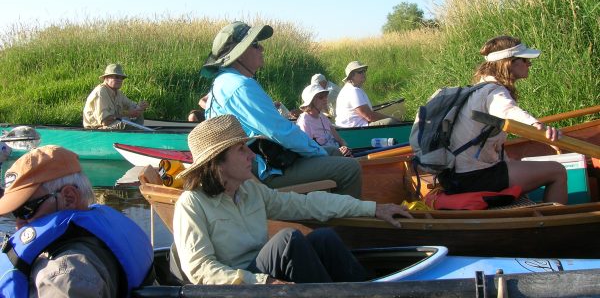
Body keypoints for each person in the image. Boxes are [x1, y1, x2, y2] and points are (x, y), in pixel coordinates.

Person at [171, 115, 412, 285]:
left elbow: (308, 204)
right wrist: (263, 282)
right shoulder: (192, 204)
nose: (252, 155)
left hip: (260, 275)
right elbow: (200, 270)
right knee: (287, 241)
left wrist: (372, 208)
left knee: (325, 238)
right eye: (241, 150)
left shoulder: (251, 192)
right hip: (238, 288)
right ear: (218, 164)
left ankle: (369, 291)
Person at [201, 21, 362, 198]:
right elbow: (280, 131)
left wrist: (319, 151)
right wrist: (318, 151)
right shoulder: (241, 86)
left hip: (257, 161)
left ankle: (324, 211)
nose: (261, 48)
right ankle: (345, 223)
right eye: (255, 45)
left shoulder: (224, 81)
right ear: (239, 54)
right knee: (349, 169)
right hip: (262, 171)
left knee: (332, 152)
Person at [0, 145, 154, 297]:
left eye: (26, 210)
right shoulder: (98, 227)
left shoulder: (63, 277)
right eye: (15, 213)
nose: (18, 224)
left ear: (69, 198)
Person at [438, 36, 567, 204]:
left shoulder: (478, 89)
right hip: (474, 177)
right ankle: (555, 227)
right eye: (525, 59)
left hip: (455, 176)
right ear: (509, 62)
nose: (530, 64)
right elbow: (510, 112)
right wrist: (539, 128)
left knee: (514, 163)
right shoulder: (493, 92)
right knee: (558, 171)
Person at [335, 61, 401, 128]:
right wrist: (392, 118)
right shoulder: (353, 91)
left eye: (364, 71)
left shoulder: (352, 89)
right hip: (354, 129)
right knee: (391, 122)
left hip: (355, 127)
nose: (364, 73)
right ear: (351, 76)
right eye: (360, 72)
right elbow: (369, 116)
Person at [83, 63, 149, 129]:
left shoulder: (118, 93)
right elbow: (105, 121)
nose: (120, 80)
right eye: (116, 77)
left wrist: (139, 107)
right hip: (97, 129)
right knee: (125, 122)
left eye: (122, 78)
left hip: (110, 125)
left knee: (138, 116)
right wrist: (128, 114)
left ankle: (139, 135)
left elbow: (131, 105)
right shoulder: (101, 92)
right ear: (106, 78)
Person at [297, 84, 352, 157]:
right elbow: (308, 149)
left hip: (338, 156)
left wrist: (345, 147)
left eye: (326, 96)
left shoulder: (323, 117)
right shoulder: (305, 120)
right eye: (321, 97)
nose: (325, 99)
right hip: (325, 159)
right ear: (312, 101)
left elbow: (340, 140)